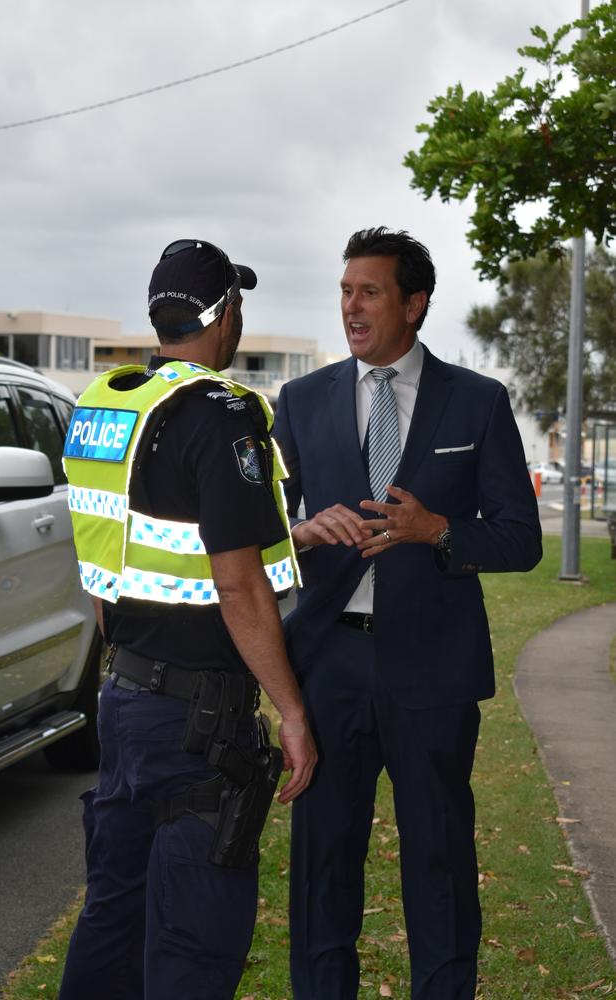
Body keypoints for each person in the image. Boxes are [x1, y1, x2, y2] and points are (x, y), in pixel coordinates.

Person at [273, 227, 542, 1000]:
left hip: (434, 667)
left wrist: (439, 531)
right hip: (329, 667)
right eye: (345, 292)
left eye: (370, 292)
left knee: (440, 862)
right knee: (323, 867)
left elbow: (520, 537)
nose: (352, 308)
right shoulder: (300, 399)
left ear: (414, 303)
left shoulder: (479, 402)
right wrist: (298, 531)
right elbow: (262, 535)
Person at [59, 238, 317, 1000]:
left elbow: (114, 566)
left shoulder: (108, 406)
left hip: (126, 700)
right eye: (239, 303)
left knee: (113, 914)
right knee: (194, 942)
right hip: (196, 723)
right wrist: (292, 711)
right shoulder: (224, 415)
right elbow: (238, 585)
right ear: (224, 314)